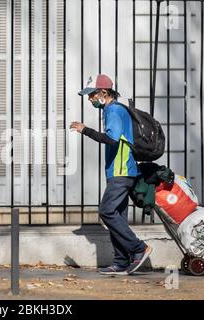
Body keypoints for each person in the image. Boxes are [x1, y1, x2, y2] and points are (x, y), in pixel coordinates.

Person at [70, 74, 152, 275]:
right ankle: (121, 261)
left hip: (121, 171)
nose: (89, 99)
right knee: (118, 217)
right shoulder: (113, 110)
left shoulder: (113, 110)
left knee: (106, 211)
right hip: (122, 170)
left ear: (103, 92)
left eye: (91, 94)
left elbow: (112, 139)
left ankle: (139, 248)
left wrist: (85, 130)